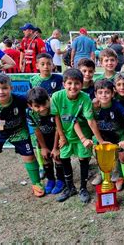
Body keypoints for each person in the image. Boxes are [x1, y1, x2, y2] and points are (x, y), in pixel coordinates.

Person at [0, 73, 44, 203]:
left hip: (19, 131)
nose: (1, 92)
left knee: (29, 156)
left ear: (11, 88)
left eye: (4, 88)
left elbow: (36, 104)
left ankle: (36, 183)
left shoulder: (20, 100)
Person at [51, 68, 104, 203]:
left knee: (83, 159)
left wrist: (100, 141)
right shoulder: (57, 97)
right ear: (64, 84)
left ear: (81, 84)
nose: (73, 87)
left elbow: (90, 121)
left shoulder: (85, 98)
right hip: (66, 135)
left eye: (76, 83)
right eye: (69, 83)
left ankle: (83, 188)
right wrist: (62, 137)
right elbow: (56, 118)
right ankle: (70, 188)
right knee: (64, 158)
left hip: (83, 135)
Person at [93, 79, 124, 200]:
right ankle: (105, 181)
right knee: (102, 159)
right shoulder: (94, 107)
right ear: (96, 95)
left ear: (113, 93)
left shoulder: (117, 106)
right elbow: (88, 122)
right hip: (103, 138)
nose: (104, 95)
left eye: (107, 92)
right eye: (100, 92)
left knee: (123, 157)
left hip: (120, 137)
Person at [26, 87, 65, 194]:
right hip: (43, 138)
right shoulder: (30, 113)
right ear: (30, 106)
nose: (42, 108)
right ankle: (51, 179)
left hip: (57, 136)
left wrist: (55, 148)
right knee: (46, 157)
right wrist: (43, 147)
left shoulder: (54, 108)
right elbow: (37, 130)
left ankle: (61, 179)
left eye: (44, 104)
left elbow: (58, 129)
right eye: (37, 106)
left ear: (48, 99)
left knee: (57, 157)